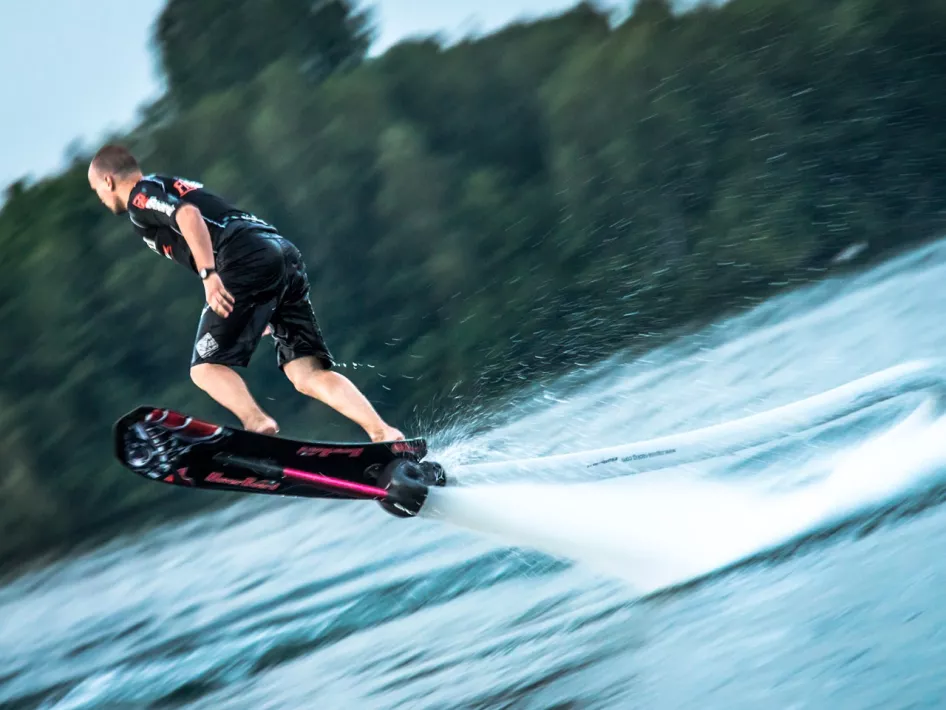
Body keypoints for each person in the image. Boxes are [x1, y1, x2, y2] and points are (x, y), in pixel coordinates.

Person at [87, 144, 404, 442]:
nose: (99, 197)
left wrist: (209, 276)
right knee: (306, 374)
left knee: (204, 369)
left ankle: (256, 422)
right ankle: (384, 433)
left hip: (244, 257)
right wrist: (257, 305)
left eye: (96, 189)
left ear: (108, 180)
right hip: (279, 253)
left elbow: (187, 216)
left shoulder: (141, 198)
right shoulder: (163, 184)